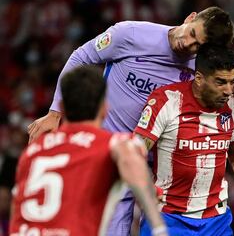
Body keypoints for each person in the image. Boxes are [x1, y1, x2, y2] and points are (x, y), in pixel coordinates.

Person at [26, 6, 234, 235]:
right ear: (190, 18)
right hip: (114, 156)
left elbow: (218, 81)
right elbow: (81, 57)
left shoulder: (199, 64)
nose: (188, 45)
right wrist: (55, 112)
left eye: (198, 45)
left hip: (163, 171)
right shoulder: (130, 35)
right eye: (191, 34)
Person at [134, 43, 234, 235]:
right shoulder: (167, 102)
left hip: (216, 222)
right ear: (199, 78)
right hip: (167, 217)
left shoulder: (232, 108)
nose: (229, 90)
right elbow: (135, 153)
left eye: (232, 82)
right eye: (221, 82)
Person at [10, 66, 167, 236]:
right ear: (105, 108)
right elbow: (131, 162)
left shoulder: (32, 153)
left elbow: (16, 207)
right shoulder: (115, 144)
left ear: (61, 107)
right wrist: (159, 228)